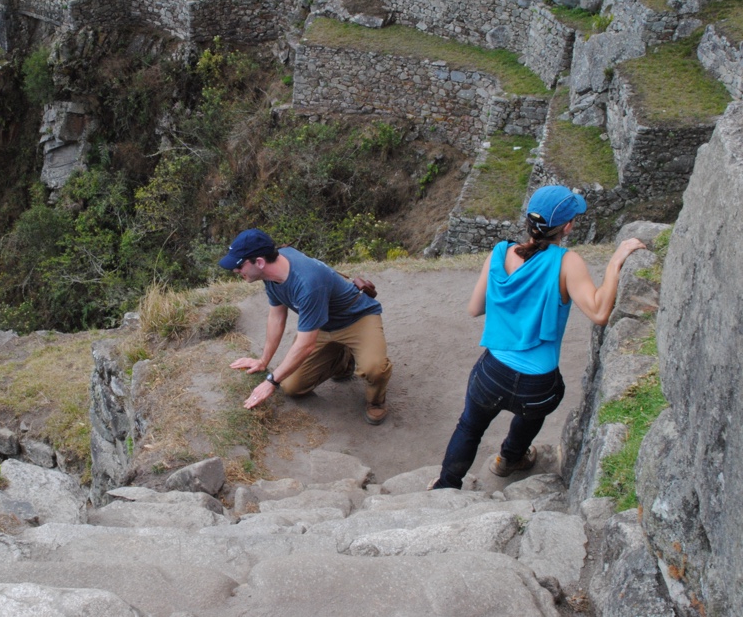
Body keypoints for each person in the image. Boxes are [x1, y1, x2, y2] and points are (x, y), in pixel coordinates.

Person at [431, 185, 646, 489]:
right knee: (539, 404)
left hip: (492, 375)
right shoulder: (567, 262)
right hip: (537, 387)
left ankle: (446, 485)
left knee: (469, 426)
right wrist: (615, 261)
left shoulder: (500, 253)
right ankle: (510, 458)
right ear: (568, 226)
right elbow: (599, 312)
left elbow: (474, 309)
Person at [218, 228, 393, 425]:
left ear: (259, 262)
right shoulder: (271, 272)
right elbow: (276, 316)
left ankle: (376, 401)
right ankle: (343, 360)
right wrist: (263, 361)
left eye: (239, 265)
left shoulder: (307, 283)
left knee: (374, 368)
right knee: (292, 387)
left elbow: (306, 345)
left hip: (356, 318)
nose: (235, 270)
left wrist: (270, 381)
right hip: (322, 325)